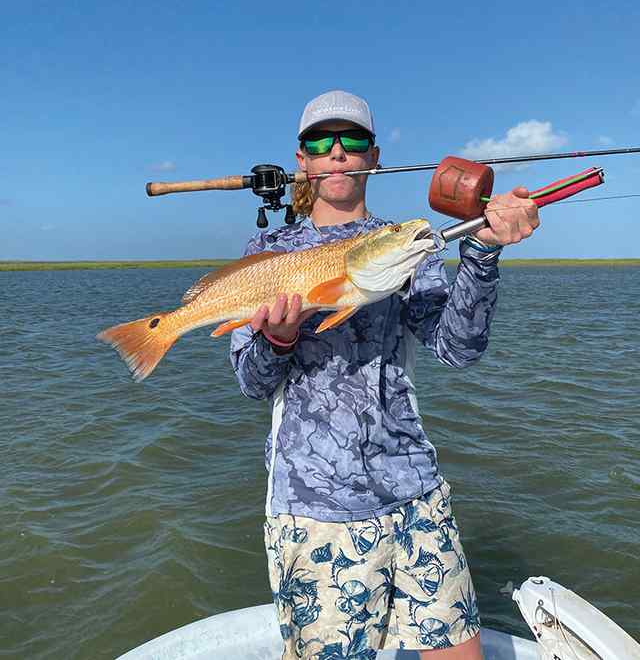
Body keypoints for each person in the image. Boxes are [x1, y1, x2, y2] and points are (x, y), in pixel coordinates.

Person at [229, 90, 539, 660]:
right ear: (302, 160)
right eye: (321, 142)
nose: (338, 152)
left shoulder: (406, 244)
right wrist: (277, 338)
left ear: (374, 156)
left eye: (353, 141)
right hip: (313, 503)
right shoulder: (269, 252)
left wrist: (484, 254)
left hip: (414, 488)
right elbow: (252, 383)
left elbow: (457, 347)